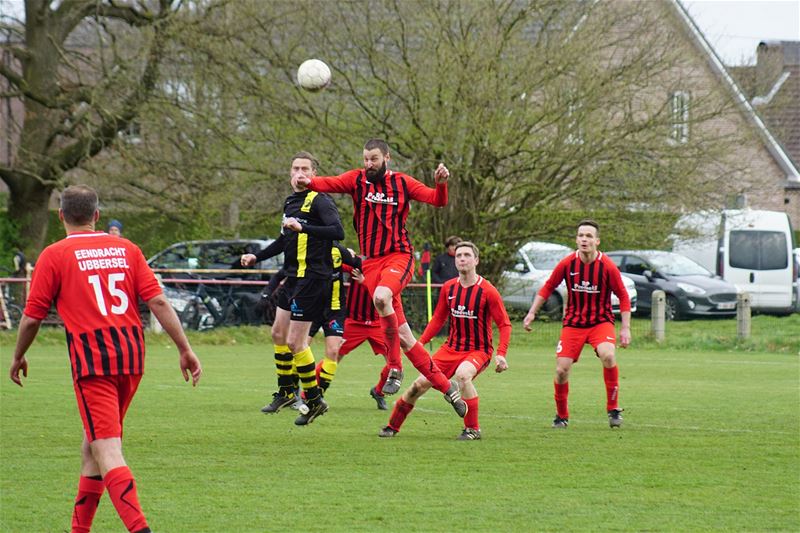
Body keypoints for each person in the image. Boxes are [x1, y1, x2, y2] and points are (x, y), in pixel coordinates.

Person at [8, 185, 202, 533]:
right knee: (92, 448)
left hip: (94, 362)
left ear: (61, 216)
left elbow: (33, 317)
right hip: (131, 357)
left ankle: (140, 529)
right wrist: (185, 348)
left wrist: (18, 355)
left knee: (108, 450)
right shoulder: (127, 249)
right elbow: (157, 302)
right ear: (97, 216)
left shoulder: (55, 254)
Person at [296, 138, 466, 418]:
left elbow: (438, 200)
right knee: (408, 339)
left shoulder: (402, 183)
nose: (368, 164)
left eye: (373, 159)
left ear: (386, 157)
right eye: (365, 159)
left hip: (399, 256)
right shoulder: (357, 180)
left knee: (381, 297)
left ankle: (395, 368)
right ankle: (449, 390)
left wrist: (441, 183)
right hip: (373, 263)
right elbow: (329, 183)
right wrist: (307, 181)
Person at [241, 151, 344, 425]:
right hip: (293, 277)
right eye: (296, 168)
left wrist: (305, 227)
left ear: (314, 174)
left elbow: (337, 231)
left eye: (305, 169)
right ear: (290, 174)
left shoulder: (320, 200)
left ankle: (313, 399)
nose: (300, 173)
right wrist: (257, 257)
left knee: (295, 342)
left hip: (312, 278)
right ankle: (286, 391)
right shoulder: (290, 202)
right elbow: (283, 239)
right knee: (277, 333)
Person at [379, 241, 511, 440]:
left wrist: (501, 354)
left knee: (463, 376)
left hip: (478, 350)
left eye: (467, 255)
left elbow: (505, 324)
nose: (462, 259)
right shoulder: (449, 288)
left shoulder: (488, 291)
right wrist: (420, 343)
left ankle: (473, 429)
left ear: (476, 260)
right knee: (418, 385)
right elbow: (439, 319)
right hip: (450, 349)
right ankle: (391, 427)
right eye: (458, 256)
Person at [523, 219, 631, 429]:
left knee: (608, 355)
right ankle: (561, 416)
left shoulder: (607, 266)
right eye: (581, 235)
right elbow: (547, 287)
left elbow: (623, 296)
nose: (584, 239)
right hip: (573, 324)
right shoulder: (567, 263)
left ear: (597, 241)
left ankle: (613, 408)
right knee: (562, 370)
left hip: (600, 322)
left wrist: (625, 328)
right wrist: (531, 313)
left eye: (589, 236)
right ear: (576, 239)